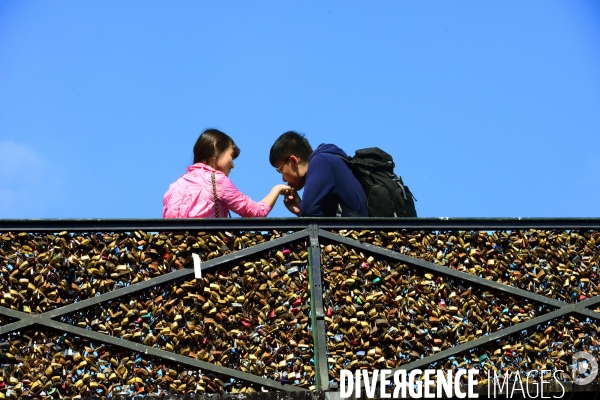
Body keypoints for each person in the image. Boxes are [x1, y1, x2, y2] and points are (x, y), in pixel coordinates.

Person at [163, 129, 290, 218]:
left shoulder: (175, 186)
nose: (232, 165)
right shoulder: (217, 180)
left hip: (177, 253)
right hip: (207, 254)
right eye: (231, 156)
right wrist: (277, 190)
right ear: (216, 148)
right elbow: (255, 213)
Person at [269, 131, 368, 217]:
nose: (284, 179)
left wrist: (305, 210)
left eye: (281, 171)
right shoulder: (325, 160)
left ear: (294, 161)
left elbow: (309, 211)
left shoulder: (320, 162)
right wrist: (300, 210)